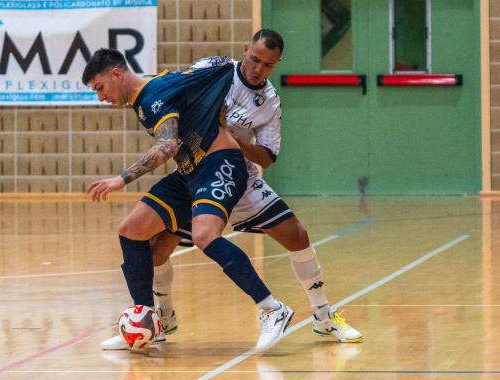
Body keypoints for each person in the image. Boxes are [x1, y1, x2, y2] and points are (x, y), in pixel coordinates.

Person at [100, 29, 362, 351]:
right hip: (196, 170)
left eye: (268, 65)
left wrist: (237, 142)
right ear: (245, 50)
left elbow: (268, 157)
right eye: (255, 59)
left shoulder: (270, 102)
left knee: (296, 236)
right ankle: (156, 321)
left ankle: (323, 315)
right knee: (153, 249)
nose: (258, 69)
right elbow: (175, 89)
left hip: (235, 172)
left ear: (277, 64)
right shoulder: (215, 67)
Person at [83, 48, 294, 352]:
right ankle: (146, 321)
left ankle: (273, 309)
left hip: (220, 163)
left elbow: (168, 146)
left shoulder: (153, 95)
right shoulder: (149, 93)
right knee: (131, 230)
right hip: (189, 171)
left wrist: (121, 179)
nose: (101, 97)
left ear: (116, 74)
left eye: (100, 87)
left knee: (204, 235)